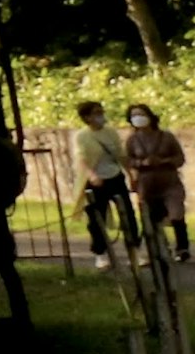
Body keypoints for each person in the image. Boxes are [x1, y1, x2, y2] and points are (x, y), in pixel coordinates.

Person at [80, 99, 133, 268]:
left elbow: (120, 154)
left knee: (128, 214)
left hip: (115, 176)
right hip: (96, 181)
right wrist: (92, 175)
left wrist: (131, 174)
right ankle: (100, 254)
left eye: (101, 112)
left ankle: (134, 249)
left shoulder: (110, 132)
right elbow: (81, 160)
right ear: (87, 117)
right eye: (96, 113)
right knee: (97, 218)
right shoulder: (82, 136)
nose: (101, 116)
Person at [132, 104, 188, 263]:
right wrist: (142, 162)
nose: (138, 118)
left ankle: (182, 248)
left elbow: (180, 158)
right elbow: (128, 160)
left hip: (169, 182)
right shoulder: (132, 141)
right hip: (147, 184)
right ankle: (155, 250)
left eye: (141, 114)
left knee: (176, 213)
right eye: (134, 115)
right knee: (151, 218)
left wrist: (164, 161)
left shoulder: (166, 137)